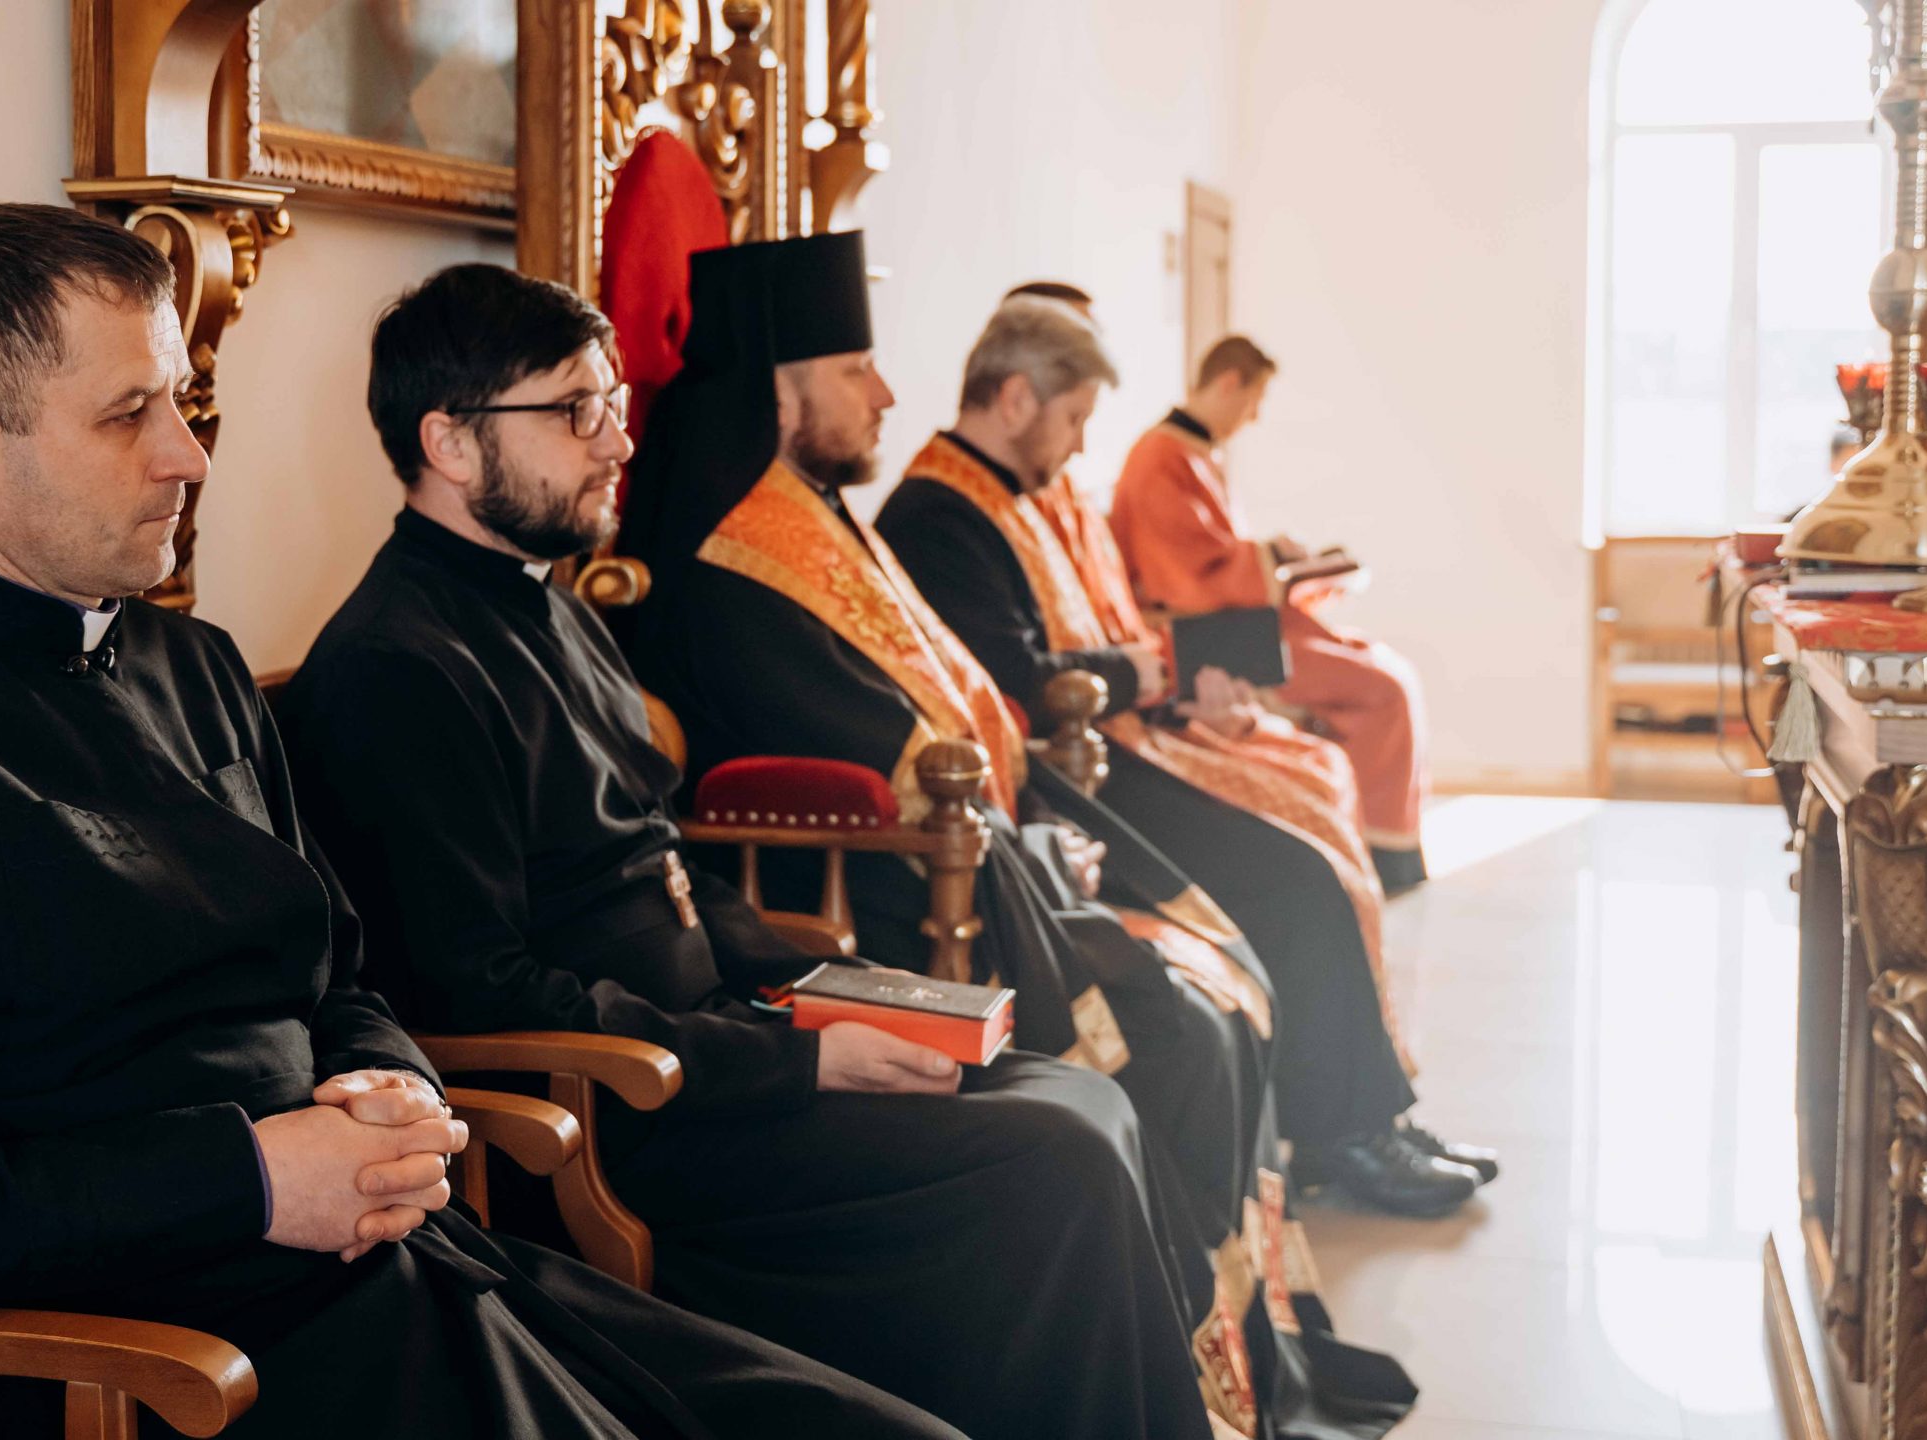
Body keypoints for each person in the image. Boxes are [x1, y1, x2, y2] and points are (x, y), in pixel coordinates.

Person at [0, 202, 964, 1440]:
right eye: (127, 414)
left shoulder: (195, 667)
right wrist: (251, 1177)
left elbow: (338, 975)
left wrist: (389, 1077)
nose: (188, 453)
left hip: (394, 1262)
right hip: (168, 1367)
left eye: (177, 400)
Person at [279, 261, 1229, 1440]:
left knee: (1081, 1098)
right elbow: (476, 998)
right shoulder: (397, 669)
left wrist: (831, 992)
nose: (617, 441)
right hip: (619, 1117)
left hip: (715, 1049)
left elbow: (663, 871)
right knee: (1056, 1152)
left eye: (612, 403)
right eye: (574, 410)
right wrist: (793, 1059)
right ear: (451, 444)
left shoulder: (550, 603)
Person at [620, 231, 1417, 1439]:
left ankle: (1244, 1363)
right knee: (1182, 1033)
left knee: (1223, 986)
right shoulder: (736, 553)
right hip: (881, 903)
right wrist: (1026, 851)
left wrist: (1035, 842)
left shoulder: (817, 520)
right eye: (856, 367)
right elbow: (890, 754)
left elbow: (961, 710)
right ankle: (1192, 1377)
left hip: (986, 857)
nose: (888, 391)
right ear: (780, 390)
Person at [876, 296, 1496, 1216]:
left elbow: (1077, 641)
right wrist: (1144, 671)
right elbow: (1020, 682)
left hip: (1104, 752)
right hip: (1060, 789)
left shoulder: (998, 494)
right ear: (1015, 399)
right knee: (1297, 879)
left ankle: (1371, 1119)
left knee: (1309, 856)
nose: (1081, 445)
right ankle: (1347, 1138)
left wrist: (1152, 678)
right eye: (1074, 417)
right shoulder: (939, 514)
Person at [1109, 338, 1433, 890]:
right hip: (1204, 637)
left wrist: (1288, 562)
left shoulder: (1192, 451)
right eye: (1255, 400)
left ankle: (1371, 844)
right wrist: (1271, 557)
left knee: (1383, 665)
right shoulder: (1160, 457)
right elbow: (1187, 576)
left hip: (1240, 620)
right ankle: (1379, 855)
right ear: (1229, 383)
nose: (1254, 417)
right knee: (1385, 689)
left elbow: (1214, 556)